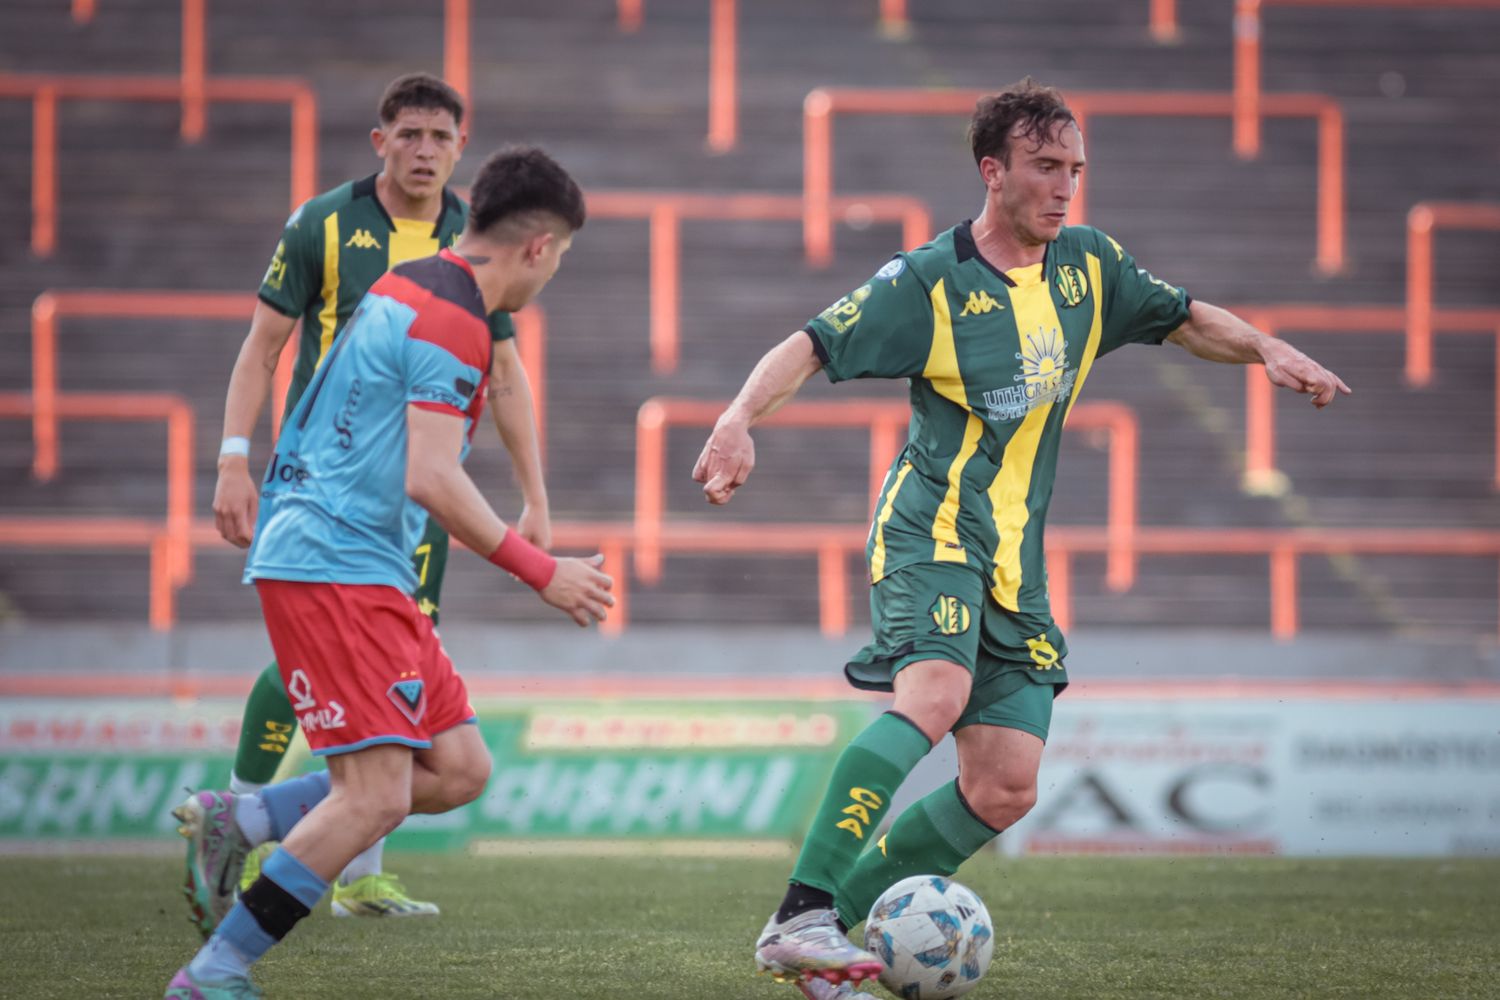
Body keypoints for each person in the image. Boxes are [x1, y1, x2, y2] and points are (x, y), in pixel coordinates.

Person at [692, 78, 1351, 999]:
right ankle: (800, 911)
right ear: (992, 171)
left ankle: (830, 936)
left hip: (1016, 566)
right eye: (1046, 167)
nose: (1065, 187)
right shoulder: (929, 282)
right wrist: (736, 418)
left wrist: (1265, 349)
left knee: (1005, 785)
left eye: (1075, 169)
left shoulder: (1090, 267)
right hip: (932, 532)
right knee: (936, 691)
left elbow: (1187, 317)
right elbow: (808, 344)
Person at [166, 146, 612, 1000]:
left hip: (354, 559)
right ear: (538, 247)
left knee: (458, 768)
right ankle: (212, 973)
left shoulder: (412, 282)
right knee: (372, 797)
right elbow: (431, 475)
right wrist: (539, 570)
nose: (552, 272)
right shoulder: (454, 320)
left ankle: (244, 818)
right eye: (560, 257)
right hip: (335, 562)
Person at [210, 72, 551, 919]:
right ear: (381, 142)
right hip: (328, 487)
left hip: (416, 491)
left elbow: (505, 376)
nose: (425, 151)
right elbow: (262, 347)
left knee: (399, 671)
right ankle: (236, 808)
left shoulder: (473, 235)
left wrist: (534, 495)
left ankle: (358, 876)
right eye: (410, 135)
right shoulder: (325, 224)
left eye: (440, 137)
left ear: (461, 147)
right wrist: (231, 457)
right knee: (318, 664)